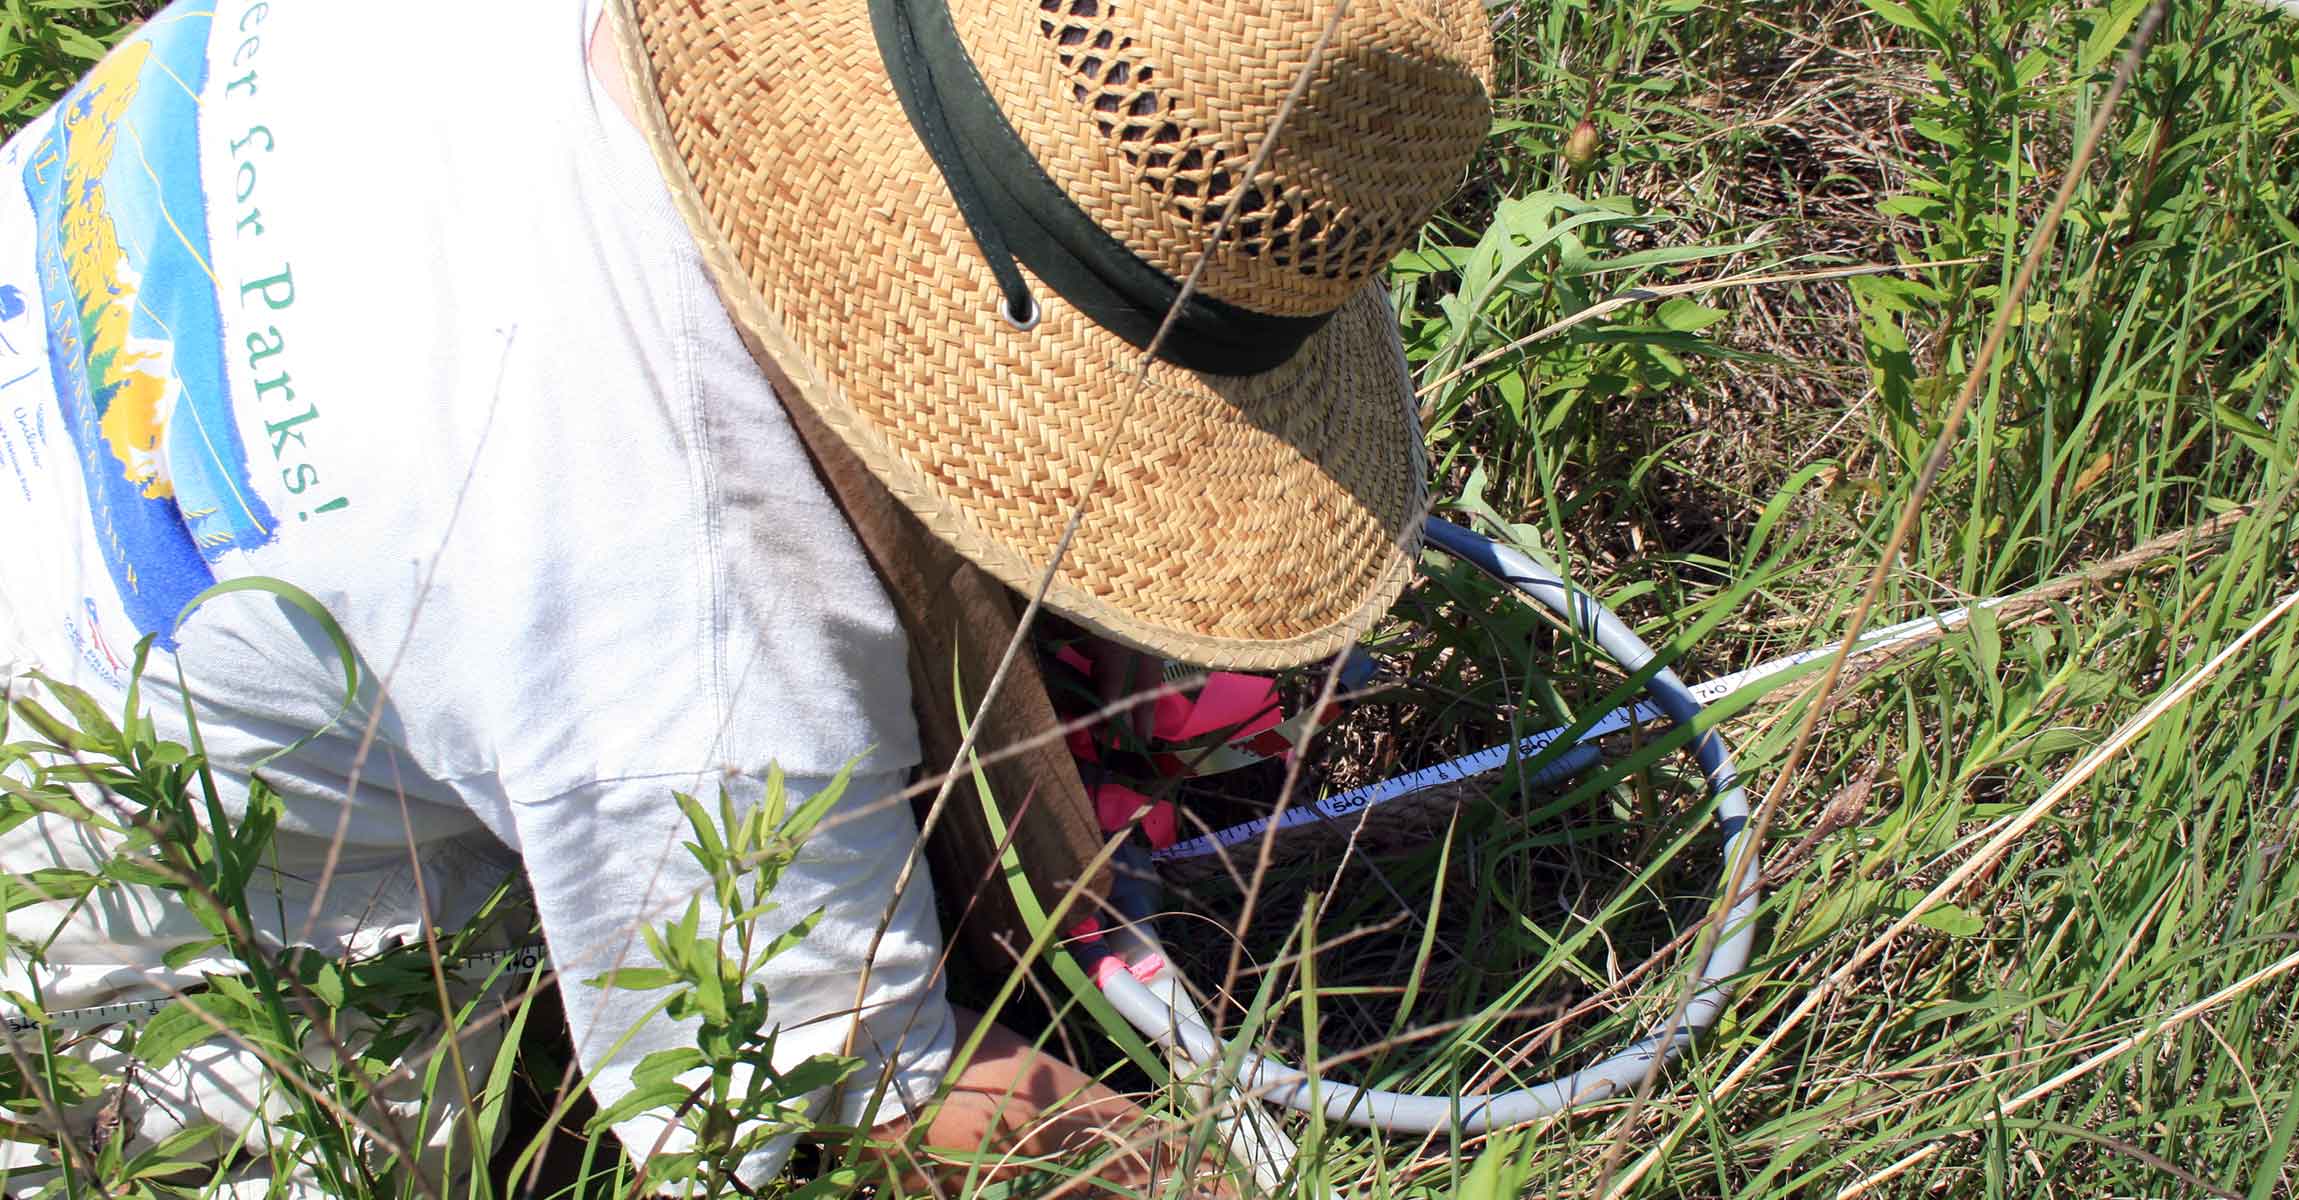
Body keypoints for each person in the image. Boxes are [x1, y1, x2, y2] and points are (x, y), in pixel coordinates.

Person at [0, 0, 1492, 1193]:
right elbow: (874, 1096)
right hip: (66, 919)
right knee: (387, 1122)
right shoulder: (695, 623)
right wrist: (1207, 1167)